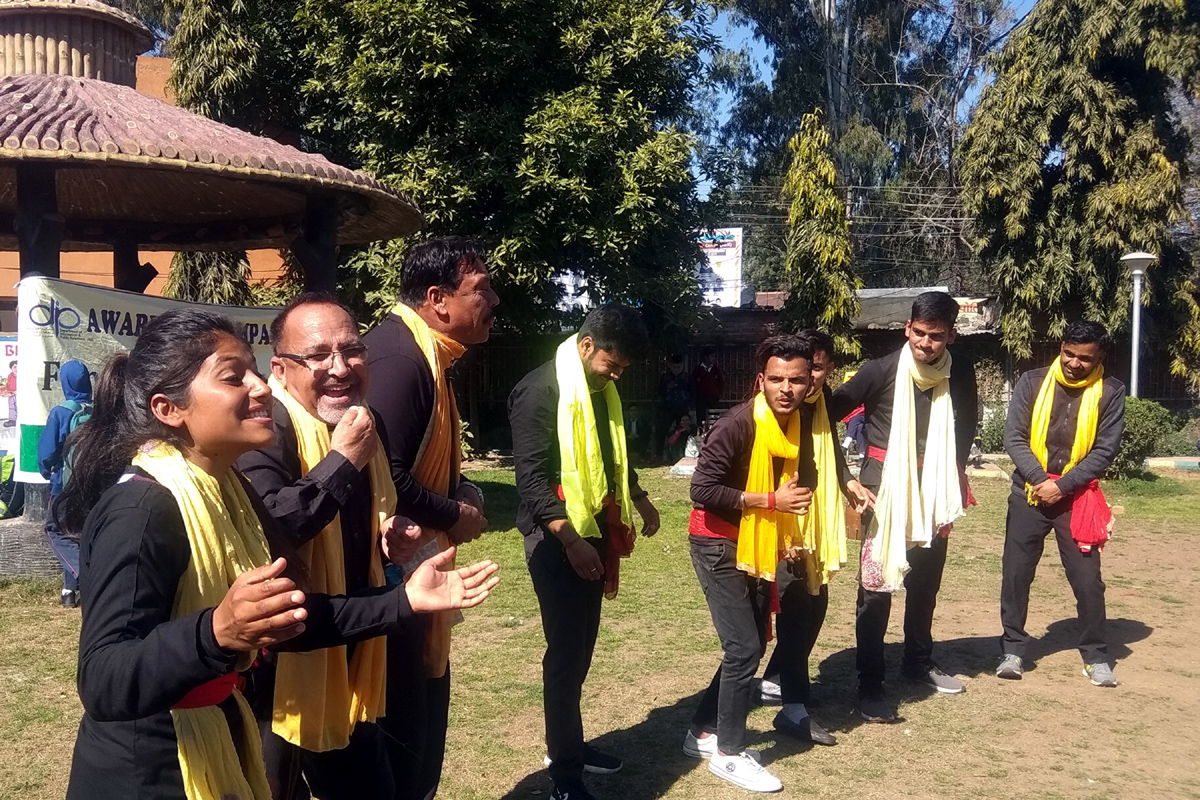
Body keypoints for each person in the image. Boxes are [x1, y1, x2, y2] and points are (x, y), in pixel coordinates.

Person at [58, 309, 498, 800]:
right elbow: (102, 680)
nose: (262, 385)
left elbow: (288, 616)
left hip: (224, 734)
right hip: (149, 770)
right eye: (233, 377)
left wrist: (405, 601)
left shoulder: (231, 493)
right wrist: (217, 632)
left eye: (254, 367)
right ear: (169, 408)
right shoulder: (141, 508)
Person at [236, 294, 413, 798]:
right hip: (280, 667)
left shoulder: (361, 423)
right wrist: (341, 462)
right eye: (317, 356)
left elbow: (366, 515)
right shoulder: (265, 426)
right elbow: (272, 525)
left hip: (350, 647)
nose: (339, 368)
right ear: (281, 368)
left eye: (352, 351)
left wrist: (387, 538)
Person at [509, 304, 662, 800]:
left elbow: (612, 452)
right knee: (565, 653)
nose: (614, 377)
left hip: (591, 527)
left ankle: (570, 744)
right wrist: (570, 541)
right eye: (610, 366)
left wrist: (638, 497)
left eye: (621, 371)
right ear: (586, 346)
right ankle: (565, 775)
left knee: (581, 648)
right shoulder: (539, 392)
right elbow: (531, 481)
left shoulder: (599, 391)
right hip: (555, 537)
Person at [364, 236, 498, 800]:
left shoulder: (427, 353)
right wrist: (456, 513)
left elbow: (422, 462)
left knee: (419, 715)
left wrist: (459, 489)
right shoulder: (401, 358)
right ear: (438, 299)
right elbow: (384, 475)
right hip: (392, 573)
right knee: (405, 725)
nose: (492, 300)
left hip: (414, 571)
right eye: (481, 289)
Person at [829, 291, 978, 723]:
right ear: (906, 329)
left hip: (934, 492)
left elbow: (966, 422)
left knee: (925, 584)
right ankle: (870, 684)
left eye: (936, 336)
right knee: (876, 591)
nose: (926, 343)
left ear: (951, 335)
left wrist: (954, 474)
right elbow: (825, 418)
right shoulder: (879, 371)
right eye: (919, 333)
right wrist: (846, 477)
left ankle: (917, 662)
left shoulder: (961, 372)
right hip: (884, 491)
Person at [683, 335, 814, 793]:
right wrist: (769, 501)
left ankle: (701, 731)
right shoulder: (738, 425)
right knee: (743, 647)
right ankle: (729, 753)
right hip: (716, 542)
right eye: (776, 379)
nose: (786, 389)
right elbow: (700, 489)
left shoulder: (798, 424)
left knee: (752, 641)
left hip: (755, 542)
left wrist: (787, 531)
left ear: (809, 382)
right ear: (761, 380)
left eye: (796, 380)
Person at [759, 330, 874, 745]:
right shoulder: (778, 409)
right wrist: (781, 526)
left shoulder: (819, 405)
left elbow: (831, 453)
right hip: (781, 523)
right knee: (791, 609)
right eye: (807, 371)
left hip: (813, 519)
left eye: (819, 369)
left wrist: (848, 482)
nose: (811, 379)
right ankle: (793, 707)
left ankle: (777, 682)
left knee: (815, 601)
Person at [998, 320, 1125, 687]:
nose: (1073, 363)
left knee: (1088, 581)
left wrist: (1064, 485)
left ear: (1099, 357)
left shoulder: (1110, 392)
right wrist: (1039, 480)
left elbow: (1105, 449)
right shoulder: (1033, 381)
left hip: (1078, 500)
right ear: (1061, 347)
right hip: (1028, 494)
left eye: (1084, 358)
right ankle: (1013, 648)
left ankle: (1096, 654)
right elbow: (1014, 436)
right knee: (1016, 574)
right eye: (1068, 353)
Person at [37, 359, 91, 608]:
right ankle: (69, 591)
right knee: (79, 534)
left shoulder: (62, 412)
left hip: (64, 485)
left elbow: (47, 453)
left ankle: (86, 576)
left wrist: (47, 471)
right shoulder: (97, 411)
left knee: (55, 530)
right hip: (92, 484)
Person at [657, 353, 691, 460]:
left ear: (682, 365)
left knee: (683, 431)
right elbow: (659, 393)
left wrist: (689, 406)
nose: (676, 369)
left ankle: (680, 454)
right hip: (668, 408)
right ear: (670, 366)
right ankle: (659, 454)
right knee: (661, 430)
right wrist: (668, 388)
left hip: (682, 408)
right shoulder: (665, 377)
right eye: (674, 367)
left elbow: (692, 392)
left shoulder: (687, 377)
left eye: (679, 367)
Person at [693, 347, 724, 428]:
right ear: (706, 357)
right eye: (712, 356)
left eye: (714, 356)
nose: (713, 358)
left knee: (714, 419)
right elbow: (693, 384)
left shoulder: (716, 369)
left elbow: (721, 383)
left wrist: (718, 394)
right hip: (700, 399)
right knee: (701, 419)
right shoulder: (697, 370)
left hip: (713, 398)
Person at [3, 360, 16, 426]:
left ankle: (18, 419)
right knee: (11, 407)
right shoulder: (10, 376)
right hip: (11, 394)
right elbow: (8, 384)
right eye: (14, 367)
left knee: (18, 406)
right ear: (11, 368)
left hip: (19, 394)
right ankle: (12, 420)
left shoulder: (22, 376)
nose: (16, 369)